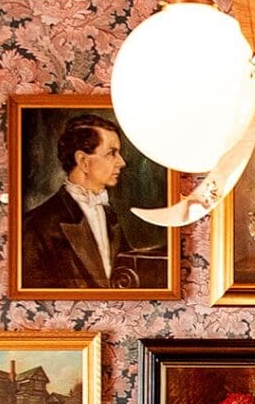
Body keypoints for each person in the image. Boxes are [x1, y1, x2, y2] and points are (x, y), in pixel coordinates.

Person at [21, 114, 165, 290]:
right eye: (111, 153)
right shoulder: (36, 226)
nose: (122, 162)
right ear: (83, 161)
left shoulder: (110, 215)